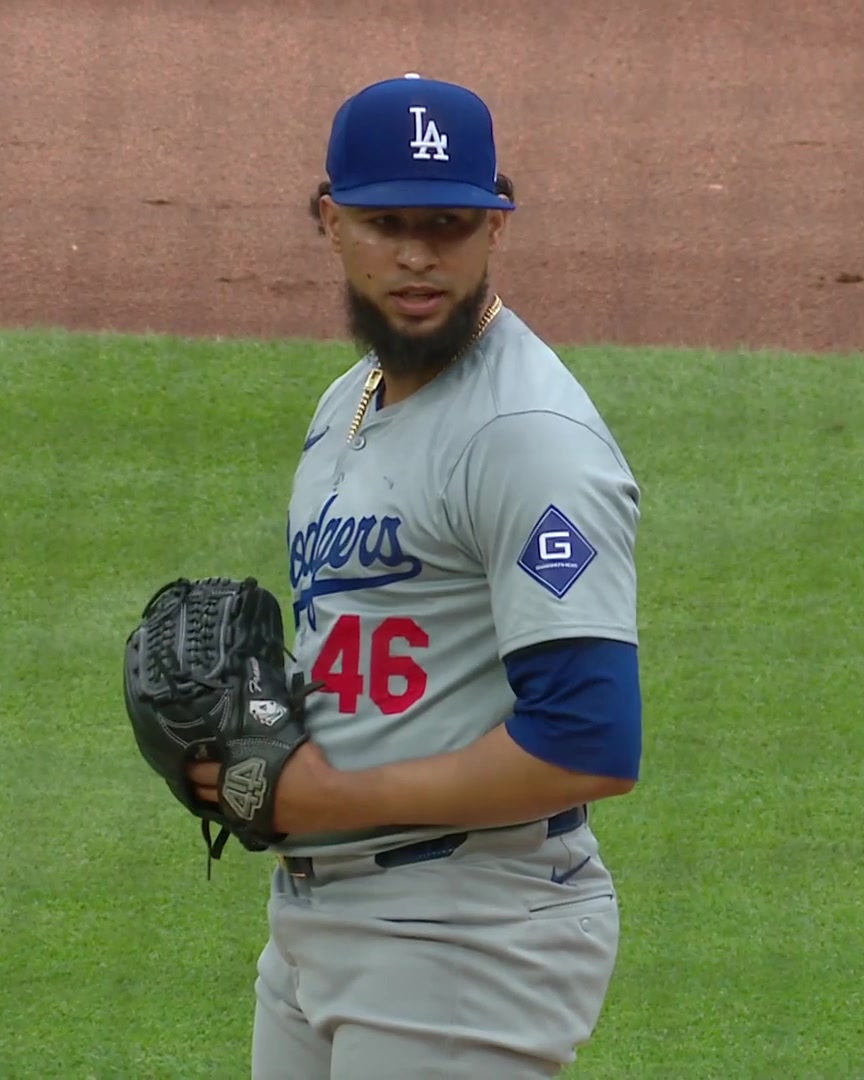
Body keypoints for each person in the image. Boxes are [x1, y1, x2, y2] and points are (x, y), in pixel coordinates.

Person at [189, 72, 642, 1079]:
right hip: (321, 920)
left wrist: (318, 795)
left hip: (462, 934)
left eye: (449, 223)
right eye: (385, 220)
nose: (417, 254)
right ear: (328, 220)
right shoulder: (350, 399)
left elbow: (590, 742)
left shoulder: (528, 437)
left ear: (497, 225)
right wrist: (255, 754)